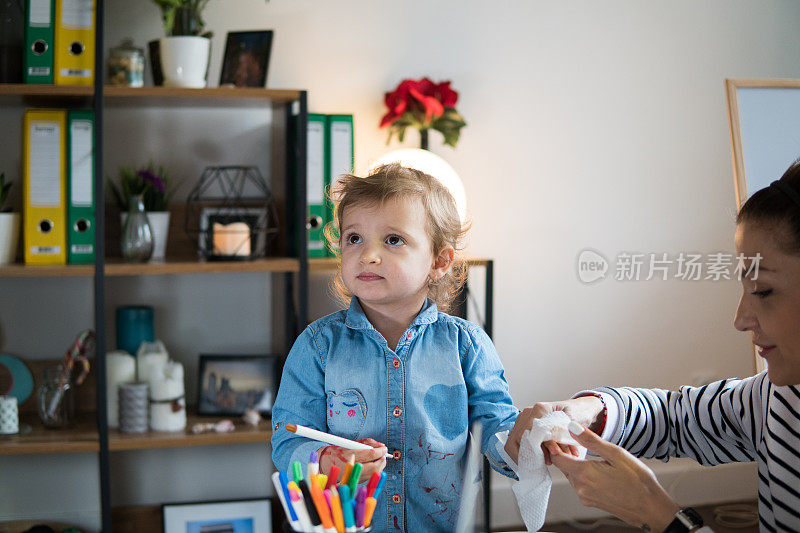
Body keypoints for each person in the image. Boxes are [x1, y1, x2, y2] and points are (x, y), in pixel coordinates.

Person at [505, 160, 800, 532]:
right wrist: (588, 411)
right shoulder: (779, 398)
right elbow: (677, 417)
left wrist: (658, 512)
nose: (740, 319)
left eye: (763, 291)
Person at [271, 163, 519, 532]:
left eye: (393, 240)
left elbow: (499, 433)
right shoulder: (316, 346)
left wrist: (531, 445)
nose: (368, 255)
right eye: (354, 238)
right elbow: (287, 441)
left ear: (439, 261)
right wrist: (325, 460)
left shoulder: (466, 345)